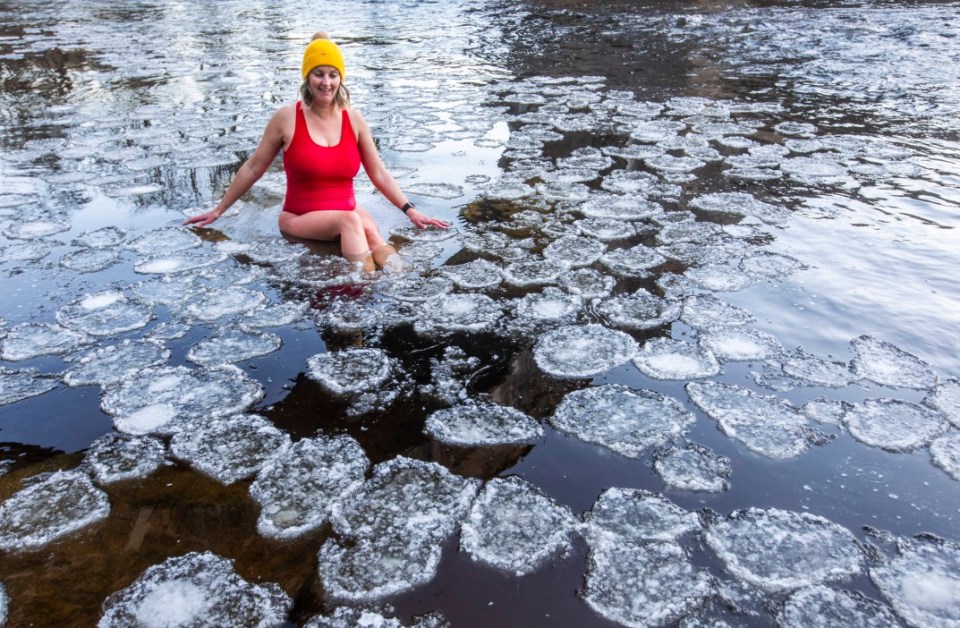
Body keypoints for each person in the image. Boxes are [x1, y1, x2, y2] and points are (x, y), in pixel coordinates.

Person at [184, 31, 449, 271]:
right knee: (352, 221)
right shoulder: (286, 118)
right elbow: (254, 167)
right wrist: (219, 210)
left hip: (347, 213)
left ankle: (405, 283)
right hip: (298, 217)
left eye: (333, 74)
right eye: (318, 73)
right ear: (307, 77)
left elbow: (378, 172)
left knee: (372, 232)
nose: (326, 82)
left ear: (341, 78)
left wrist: (410, 210)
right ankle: (366, 291)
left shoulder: (354, 119)